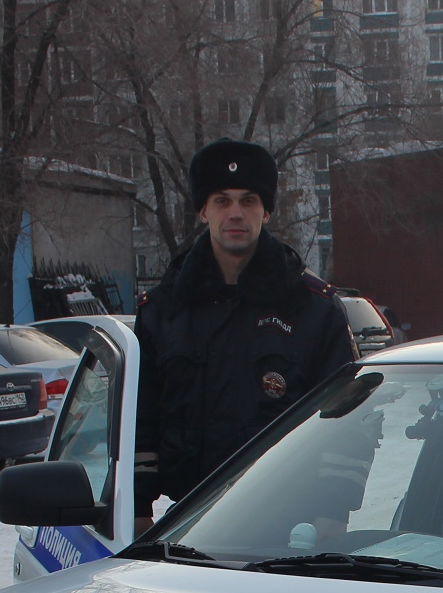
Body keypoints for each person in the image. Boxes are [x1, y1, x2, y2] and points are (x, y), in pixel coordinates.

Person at [135, 139, 358, 514]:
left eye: (248, 200)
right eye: (222, 200)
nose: (235, 213)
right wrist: (138, 511)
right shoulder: (164, 311)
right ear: (203, 211)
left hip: (290, 526)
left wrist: (331, 517)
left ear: (266, 212)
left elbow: (348, 423)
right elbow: (140, 424)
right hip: (188, 525)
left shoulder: (312, 310)